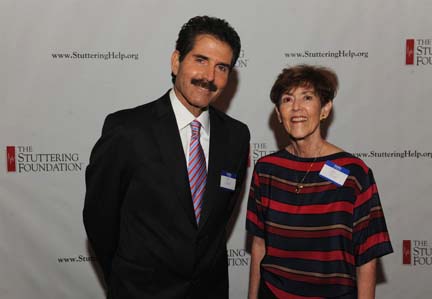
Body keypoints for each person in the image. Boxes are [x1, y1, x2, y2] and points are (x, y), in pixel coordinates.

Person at [83, 16, 250, 299]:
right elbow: (100, 219)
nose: (209, 76)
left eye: (221, 67)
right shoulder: (127, 130)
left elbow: (220, 217)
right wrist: (128, 278)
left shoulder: (237, 136)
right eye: (200, 60)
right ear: (176, 61)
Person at [246, 65, 393, 299]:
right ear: (278, 113)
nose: (296, 108)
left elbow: (367, 256)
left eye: (307, 97)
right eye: (287, 99)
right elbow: (259, 244)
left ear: (325, 109)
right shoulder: (266, 169)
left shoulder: (354, 173)